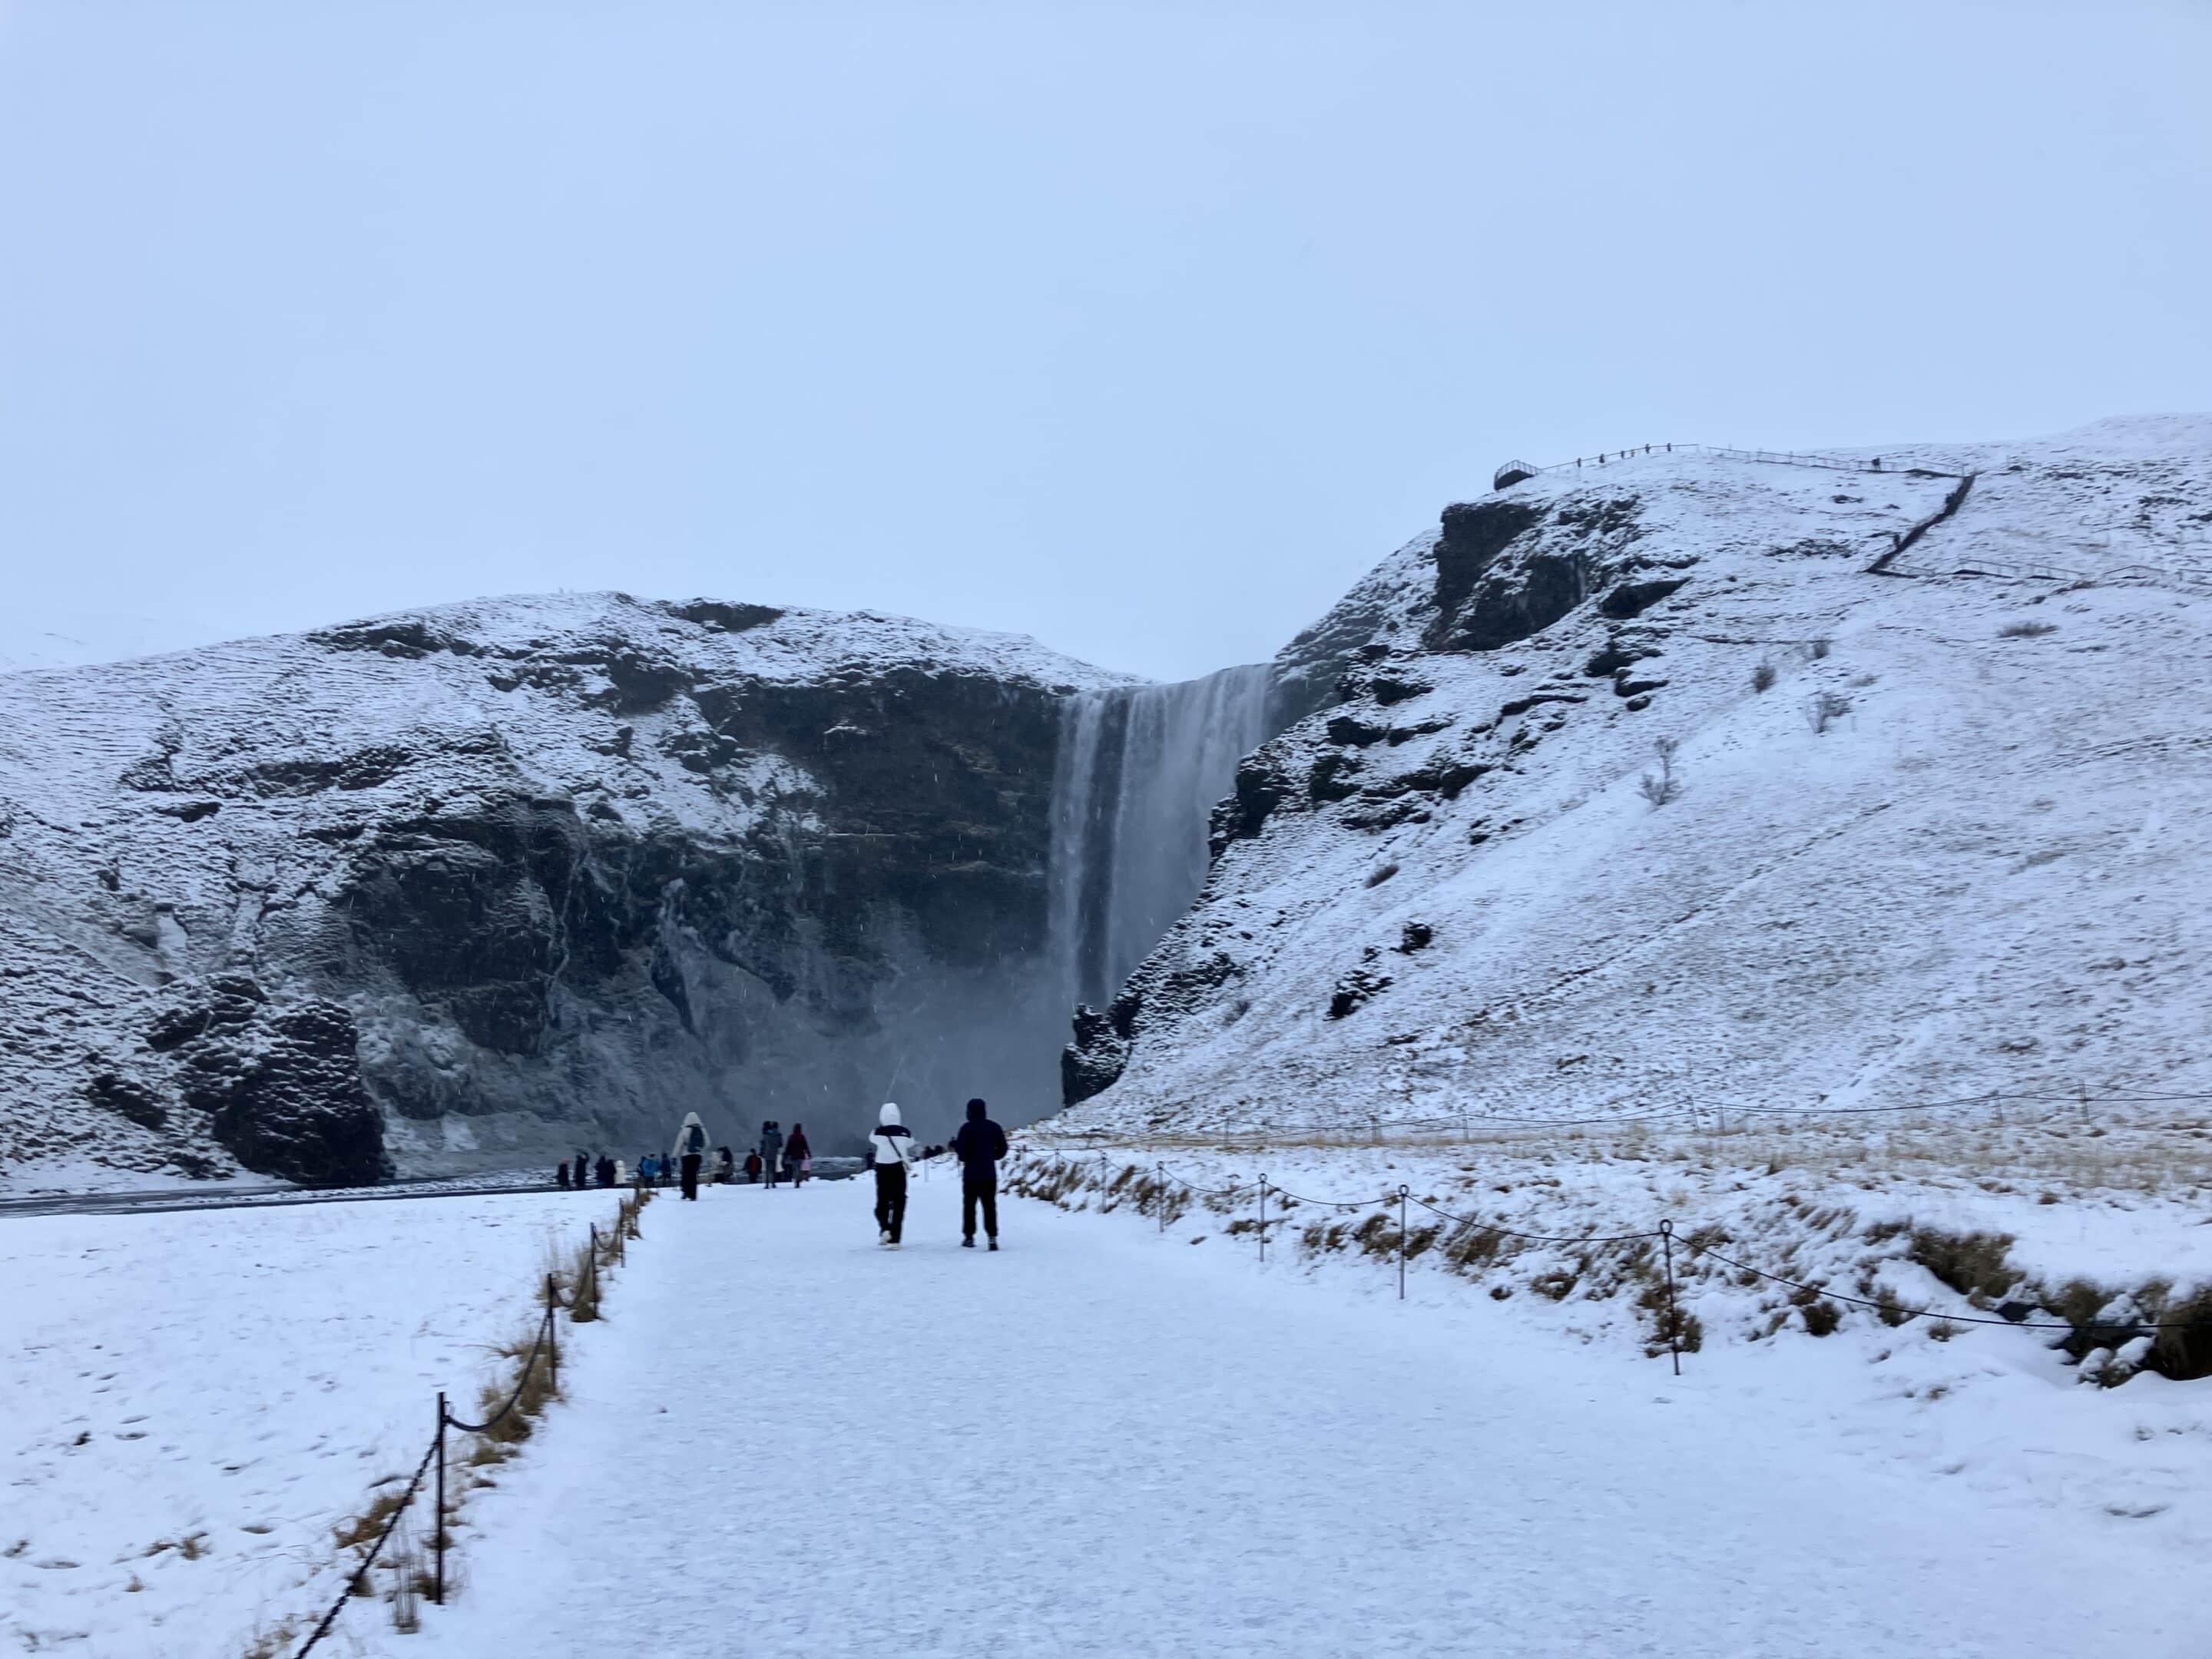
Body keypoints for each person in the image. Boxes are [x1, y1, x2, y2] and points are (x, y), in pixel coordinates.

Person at [951, 1097, 1009, 1250]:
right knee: (989, 1206)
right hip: (989, 1173)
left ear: (969, 1111)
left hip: (971, 1174)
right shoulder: (994, 1127)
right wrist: (992, 1156)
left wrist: (959, 1148)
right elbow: (1003, 1149)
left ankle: (969, 1237)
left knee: (969, 1206)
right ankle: (992, 1237)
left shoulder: (966, 1129)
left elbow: (962, 1155)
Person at [869, 1102, 917, 1247]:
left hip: (882, 1169)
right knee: (899, 1202)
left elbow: (871, 1138)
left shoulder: (878, 1132)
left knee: (882, 1201)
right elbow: (911, 1143)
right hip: (898, 1169)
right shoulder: (905, 1132)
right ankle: (896, 1238)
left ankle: (885, 1228)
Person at [760, 1121, 785, 1190]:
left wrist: (762, 1152)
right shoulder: (778, 1134)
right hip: (774, 1152)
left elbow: (763, 1144)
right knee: (773, 1168)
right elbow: (780, 1145)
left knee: (767, 1168)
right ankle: (773, 1183)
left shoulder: (765, 1134)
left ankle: (767, 1183)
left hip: (767, 1153)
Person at [786, 1122, 811, 1187]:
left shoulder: (791, 1137)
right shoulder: (802, 1137)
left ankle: (796, 1180)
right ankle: (799, 1179)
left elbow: (788, 1147)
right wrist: (808, 1153)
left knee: (795, 1169)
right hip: (801, 1155)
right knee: (799, 1168)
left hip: (793, 1156)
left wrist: (786, 1154)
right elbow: (805, 1146)